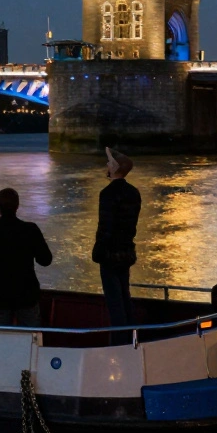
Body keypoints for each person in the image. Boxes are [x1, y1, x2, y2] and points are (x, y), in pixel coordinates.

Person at [0, 188, 53, 327]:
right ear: (17, 206)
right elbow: (45, 260)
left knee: (0, 339)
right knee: (30, 338)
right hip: (27, 293)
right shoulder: (31, 229)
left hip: (0, 295)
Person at [93, 147, 141, 345]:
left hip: (110, 253)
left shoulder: (107, 193)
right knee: (125, 296)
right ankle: (132, 339)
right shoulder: (134, 193)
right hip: (126, 251)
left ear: (114, 168)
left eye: (109, 162)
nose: (106, 165)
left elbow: (105, 226)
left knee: (114, 302)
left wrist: (98, 251)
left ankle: (119, 345)